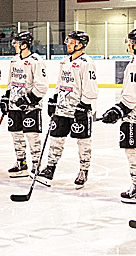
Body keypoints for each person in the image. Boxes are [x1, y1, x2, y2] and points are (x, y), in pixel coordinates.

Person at [101, 28, 136, 202]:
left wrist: (117, 111)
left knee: (133, 150)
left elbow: (131, 97)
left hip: (135, 114)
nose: (129, 44)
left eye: (131, 41)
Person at [37, 31, 98, 188]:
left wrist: (84, 105)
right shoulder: (64, 61)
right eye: (68, 42)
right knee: (56, 138)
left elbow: (91, 88)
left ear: (80, 44)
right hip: (62, 108)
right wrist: (54, 99)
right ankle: (50, 167)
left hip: (80, 110)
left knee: (83, 141)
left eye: (72, 42)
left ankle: (84, 170)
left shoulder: (87, 63)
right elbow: (60, 82)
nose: (68, 44)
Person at [3, 31, 47, 178]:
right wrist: (6, 98)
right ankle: (21, 163)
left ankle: (36, 163)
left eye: (16, 43)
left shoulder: (36, 61)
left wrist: (28, 99)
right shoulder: (14, 60)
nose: (14, 45)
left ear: (24, 45)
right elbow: (11, 81)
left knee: (32, 136)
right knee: (16, 135)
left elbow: (42, 86)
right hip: (14, 106)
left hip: (30, 107)